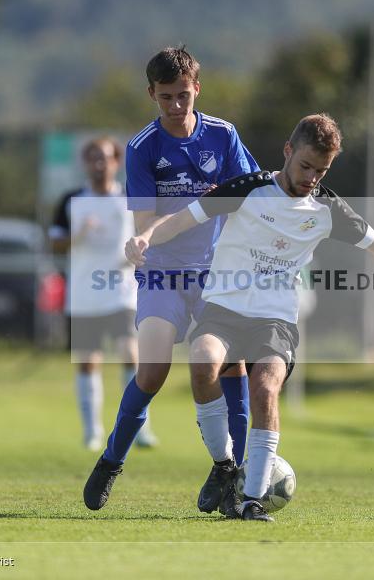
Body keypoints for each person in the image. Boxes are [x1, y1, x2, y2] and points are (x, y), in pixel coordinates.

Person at [125, 113, 374, 521]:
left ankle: (252, 500)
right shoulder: (246, 189)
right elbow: (185, 217)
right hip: (224, 312)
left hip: (275, 323)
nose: (311, 178)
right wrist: (145, 236)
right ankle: (225, 466)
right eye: (306, 166)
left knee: (264, 389)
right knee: (202, 363)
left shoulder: (326, 208)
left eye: (321, 171)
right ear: (288, 151)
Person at [83, 46, 259, 512]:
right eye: (166, 97)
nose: (177, 106)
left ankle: (234, 477)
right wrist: (145, 239)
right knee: (152, 372)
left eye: (184, 95)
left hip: (216, 275)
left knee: (230, 366)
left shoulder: (223, 135)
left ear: (197, 88)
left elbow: (250, 194)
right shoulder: (143, 147)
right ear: (152, 95)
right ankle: (112, 460)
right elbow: (145, 223)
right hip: (162, 274)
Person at [50, 137, 158, 451]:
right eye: (93, 158)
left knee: (130, 353)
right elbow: (55, 243)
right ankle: (92, 431)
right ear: (85, 163)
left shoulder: (129, 198)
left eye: (106, 158)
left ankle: (140, 427)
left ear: (116, 162)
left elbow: (148, 235)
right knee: (88, 361)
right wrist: (80, 235)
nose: (100, 164)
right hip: (84, 294)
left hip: (121, 292)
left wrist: (138, 252)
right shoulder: (72, 200)